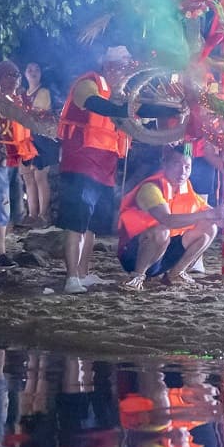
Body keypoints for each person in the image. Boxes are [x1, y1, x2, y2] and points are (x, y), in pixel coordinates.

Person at [57, 46, 135, 294]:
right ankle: (71, 278)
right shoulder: (89, 83)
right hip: (80, 162)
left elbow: (139, 112)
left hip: (105, 165)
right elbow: (93, 104)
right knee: (76, 223)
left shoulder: (121, 93)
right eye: (119, 66)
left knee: (92, 225)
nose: (122, 71)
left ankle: (83, 272)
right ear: (108, 66)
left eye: (125, 66)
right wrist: (124, 111)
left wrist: (173, 111)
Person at [115, 146, 224, 291]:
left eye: (187, 167)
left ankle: (175, 274)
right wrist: (207, 214)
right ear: (165, 164)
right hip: (133, 254)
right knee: (162, 231)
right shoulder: (151, 188)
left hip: (163, 254)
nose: (182, 172)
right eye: (177, 164)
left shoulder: (186, 189)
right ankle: (137, 277)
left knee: (210, 227)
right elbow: (167, 220)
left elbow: (215, 214)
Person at [0, 61, 36, 266]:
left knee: (14, 206)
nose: (13, 79)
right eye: (7, 75)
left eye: (15, 75)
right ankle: (0, 253)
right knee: (1, 203)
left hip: (14, 158)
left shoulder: (20, 100)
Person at [20, 61, 57, 226]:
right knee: (28, 177)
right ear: (24, 73)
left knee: (40, 176)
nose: (33, 72)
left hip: (42, 140)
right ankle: (32, 214)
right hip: (25, 139)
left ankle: (43, 215)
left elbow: (34, 114)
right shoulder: (23, 93)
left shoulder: (43, 92)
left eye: (36, 69)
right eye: (29, 69)